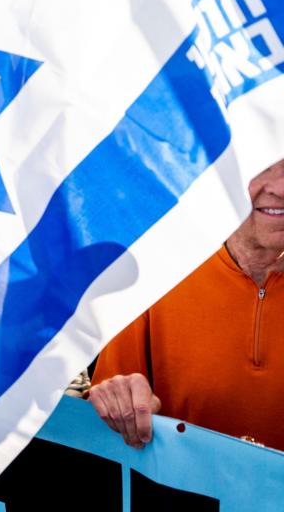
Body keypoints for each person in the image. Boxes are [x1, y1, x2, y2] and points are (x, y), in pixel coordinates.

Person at [89, 159, 284, 450]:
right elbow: (110, 409)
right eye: (261, 165)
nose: (280, 188)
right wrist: (117, 397)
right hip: (179, 492)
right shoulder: (157, 274)